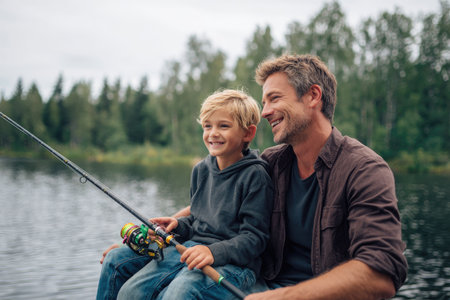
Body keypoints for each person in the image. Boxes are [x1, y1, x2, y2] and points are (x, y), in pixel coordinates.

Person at [171, 54, 408, 299]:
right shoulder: (272, 163)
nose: (264, 112)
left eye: (274, 99)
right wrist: (171, 223)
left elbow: (381, 274)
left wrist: (283, 297)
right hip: (259, 286)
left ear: (313, 96)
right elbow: (221, 199)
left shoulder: (365, 170)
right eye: (264, 102)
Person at [96, 89, 273, 300]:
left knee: (179, 293)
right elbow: (198, 220)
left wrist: (212, 252)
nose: (213, 133)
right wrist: (177, 225)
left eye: (223, 126)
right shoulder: (201, 170)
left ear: (248, 133)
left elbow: (254, 239)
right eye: (207, 126)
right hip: (191, 248)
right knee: (131, 291)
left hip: (237, 266)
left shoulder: (256, 176)